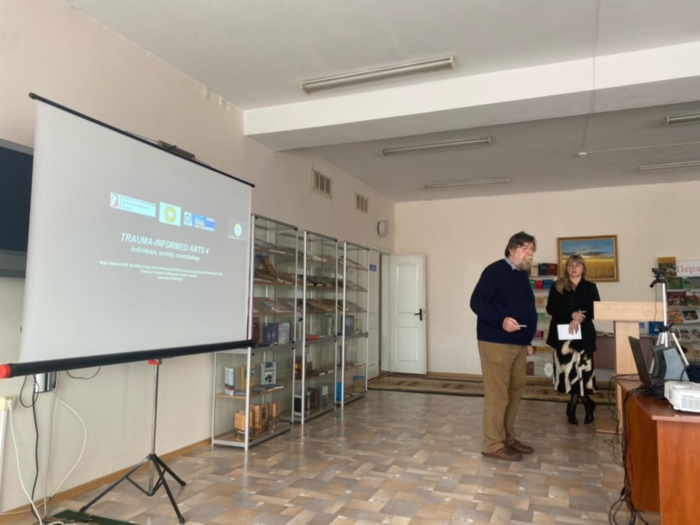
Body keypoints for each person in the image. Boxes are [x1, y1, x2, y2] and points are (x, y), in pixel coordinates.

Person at [470, 231, 537, 461]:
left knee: (515, 391)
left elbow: (525, 308)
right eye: (525, 248)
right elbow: (476, 302)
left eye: (532, 249)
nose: (530, 253)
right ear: (511, 249)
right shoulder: (495, 271)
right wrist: (501, 320)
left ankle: (507, 438)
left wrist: (527, 340)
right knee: (498, 395)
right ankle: (492, 444)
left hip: (518, 344)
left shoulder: (521, 275)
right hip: (496, 342)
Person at [546, 255, 600, 425]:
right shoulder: (557, 285)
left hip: (584, 336)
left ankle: (573, 406)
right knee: (570, 374)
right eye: (570, 265)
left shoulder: (590, 287)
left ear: (583, 268)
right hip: (564, 338)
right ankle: (585, 404)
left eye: (577, 265)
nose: (574, 268)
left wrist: (579, 318)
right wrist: (571, 314)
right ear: (566, 268)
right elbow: (551, 308)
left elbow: (596, 310)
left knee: (584, 372)